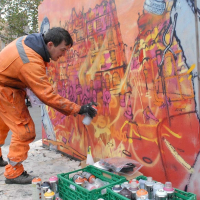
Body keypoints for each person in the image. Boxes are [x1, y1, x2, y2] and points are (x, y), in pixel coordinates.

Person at [0, 27, 97, 184]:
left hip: (7, 84)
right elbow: (47, 96)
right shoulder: (30, 60)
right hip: (5, 89)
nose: (63, 55)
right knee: (25, 130)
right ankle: (13, 172)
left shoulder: (32, 43)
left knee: (3, 125)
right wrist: (79, 109)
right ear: (50, 44)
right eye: (63, 50)